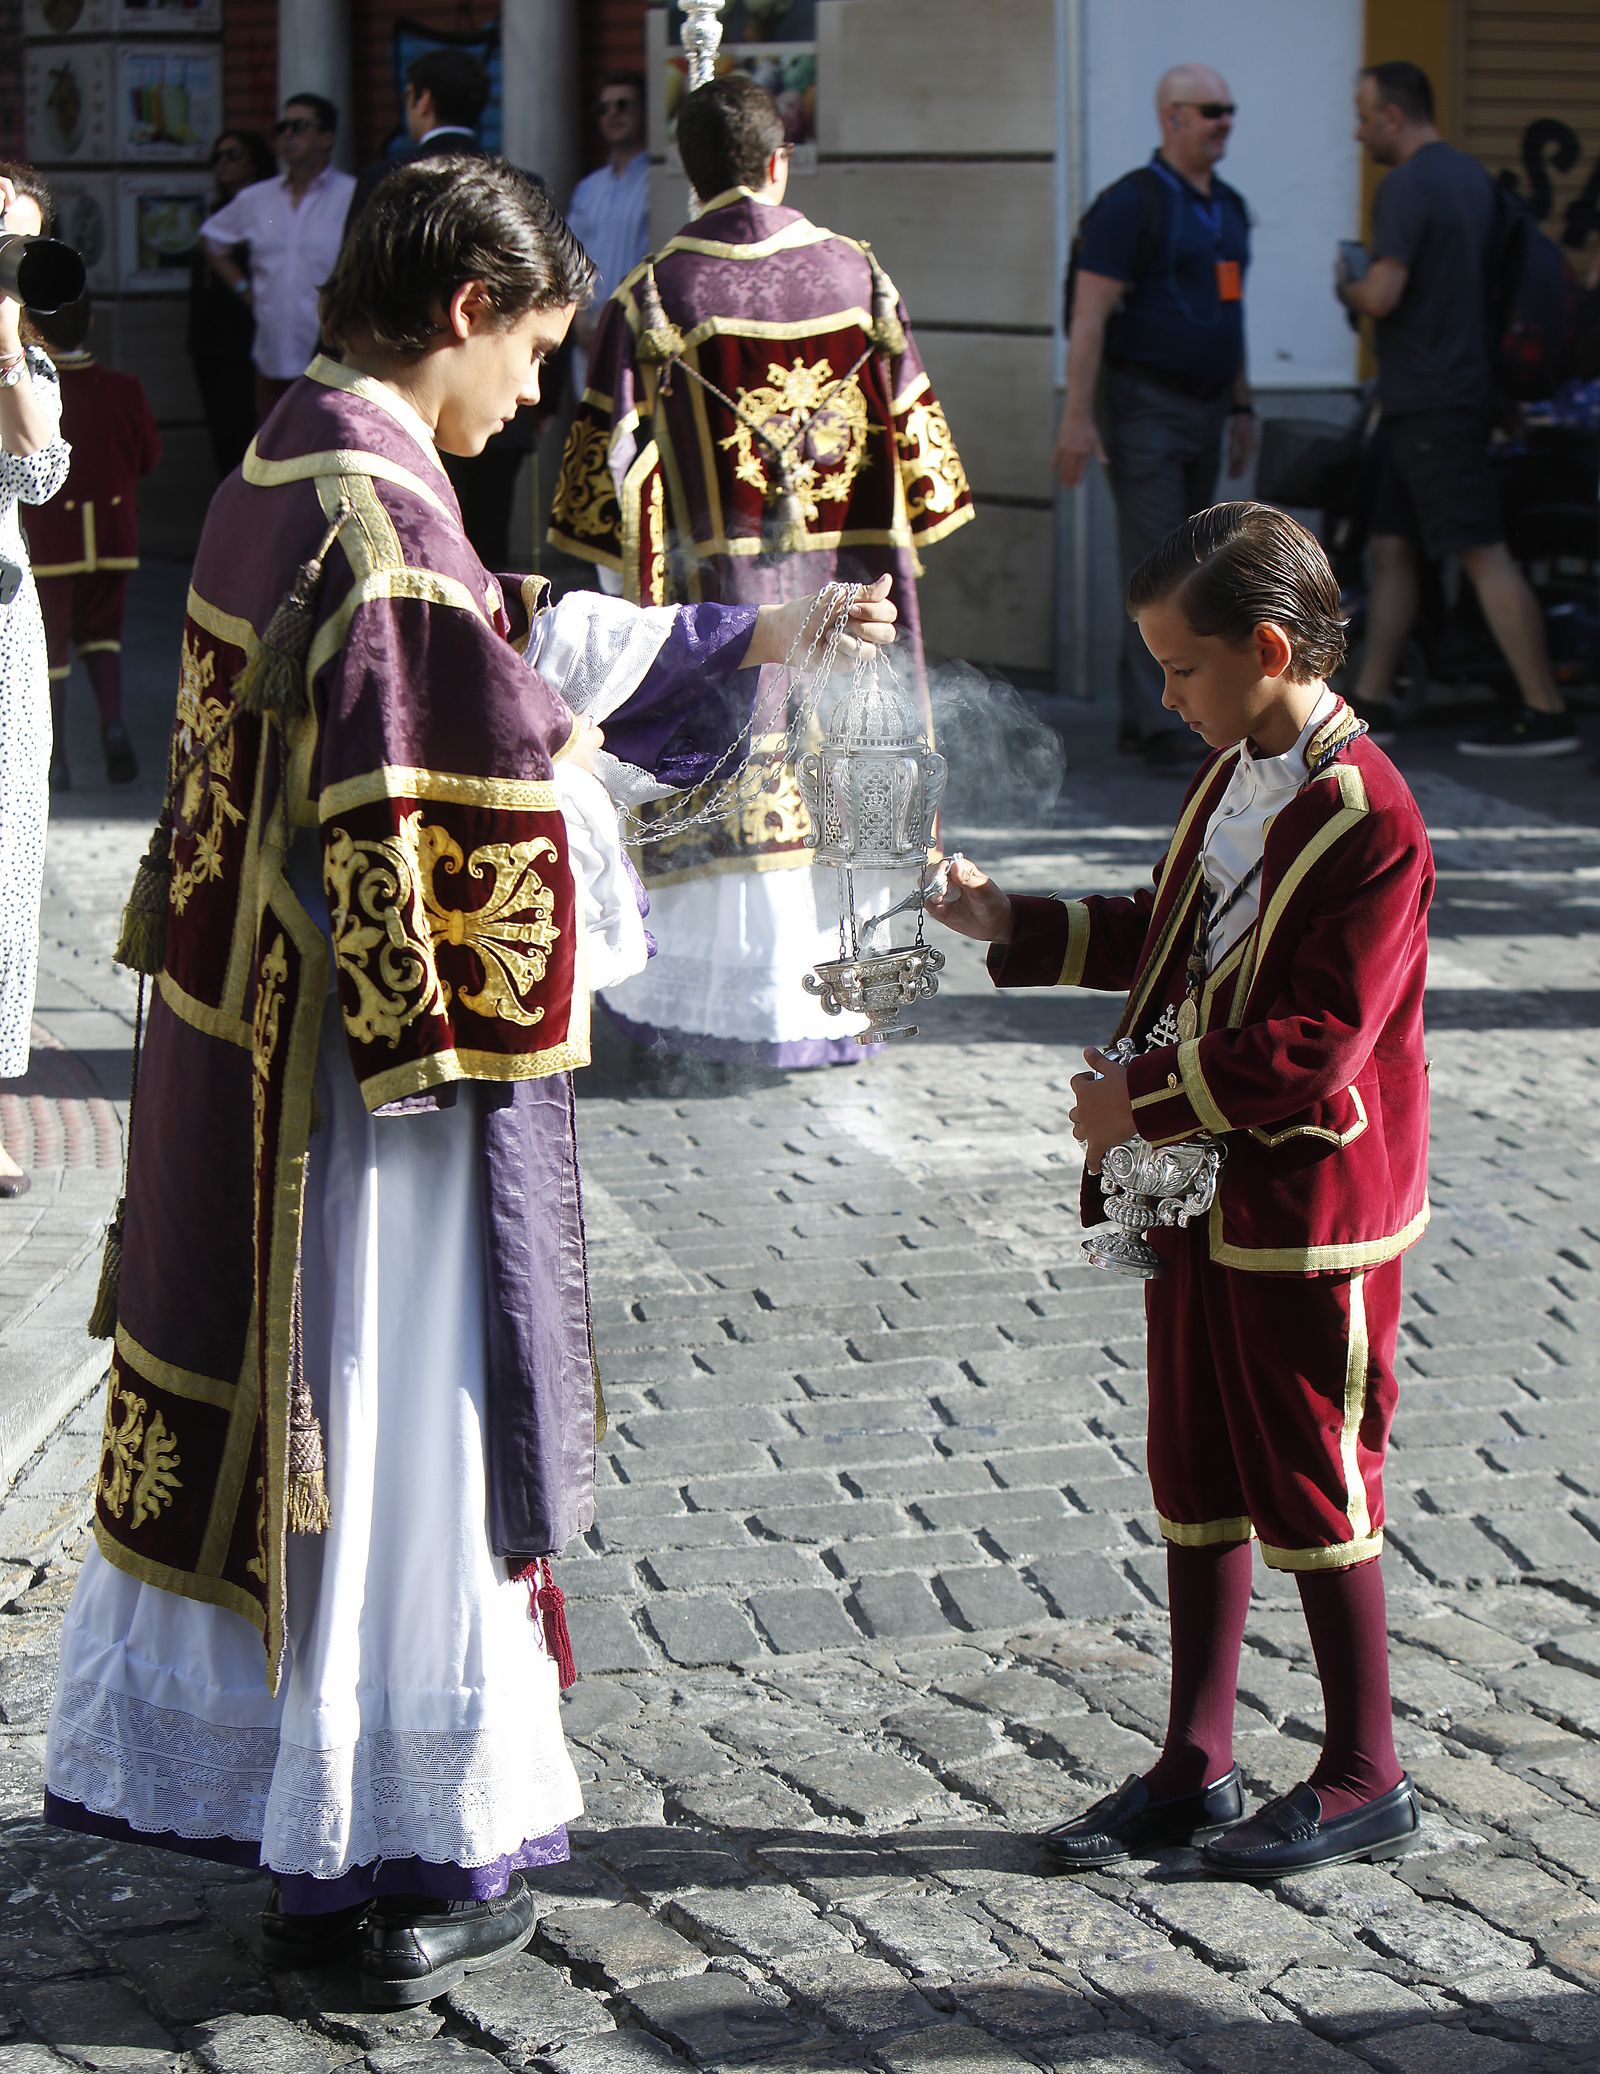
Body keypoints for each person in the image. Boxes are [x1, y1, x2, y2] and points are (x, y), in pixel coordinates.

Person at [42, 153, 895, 2006]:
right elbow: (484, 815)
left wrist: (742, 633)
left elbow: (488, 639)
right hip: (379, 1105)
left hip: (259, 1058)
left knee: (328, 1425)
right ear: (461, 314)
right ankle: (388, 1844)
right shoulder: (375, 529)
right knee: (395, 1427)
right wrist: (586, 761)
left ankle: (316, 1811)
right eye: (528, 350)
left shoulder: (297, 454)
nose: (532, 392)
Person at [930, 503, 1432, 1879]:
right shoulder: (1231, 772)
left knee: (1312, 1474)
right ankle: (1194, 1760)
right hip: (1180, 1185)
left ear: (1270, 649)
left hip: (1303, 1212)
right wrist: (1012, 921)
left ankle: (1364, 1766)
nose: (1165, 694)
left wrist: (1132, 1104)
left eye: (1181, 668)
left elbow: (1315, 1045)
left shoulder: (1372, 817)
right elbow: (1168, 933)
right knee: (1194, 1465)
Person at [551, 73, 973, 1068]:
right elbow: (926, 463)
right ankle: (835, 1004)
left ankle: (706, 1018)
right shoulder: (860, 275)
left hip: (719, 602)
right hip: (849, 590)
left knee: (732, 768)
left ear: (688, 174)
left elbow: (599, 484)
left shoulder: (654, 291)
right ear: (780, 162)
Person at [1337, 60, 1580, 759]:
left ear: (1392, 115)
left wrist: (1347, 285)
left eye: (1363, 115)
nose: (1357, 132)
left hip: (1435, 401)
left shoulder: (1408, 185)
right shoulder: (1475, 180)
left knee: (1480, 550)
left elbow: (1382, 295)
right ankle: (1372, 703)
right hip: (1449, 396)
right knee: (1392, 547)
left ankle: (1545, 709)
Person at [1053, 64, 1255, 769]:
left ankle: (1150, 714)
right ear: (1171, 116)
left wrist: (1242, 404)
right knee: (1164, 565)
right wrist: (1078, 418)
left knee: (1191, 561)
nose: (1223, 120)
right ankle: (1166, 718)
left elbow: (1231, 316)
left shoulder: (1227, 205)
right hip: (1143, 404)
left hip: (1205, 407)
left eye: (1229, 109)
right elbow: (1088, 316)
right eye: (1209, 110)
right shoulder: (1130, 205)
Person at [350, 51, 551, 569]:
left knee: (408, 545)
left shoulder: (386, 181)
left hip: (405, 396)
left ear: (422, 100)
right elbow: (539, 308)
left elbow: (358, 302)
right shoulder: (523, 184)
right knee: (487, 548)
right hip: (484, 401)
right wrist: (546, 406)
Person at [0, 161, 72, 1201]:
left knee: (2, 869)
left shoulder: (29, 360)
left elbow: (37, 466)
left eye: (18, 244)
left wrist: (7, 331)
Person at [24, 293, 160, 790]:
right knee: (105, 637)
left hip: (50, 539)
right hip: (112, 533)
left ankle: (56, 759)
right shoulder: (124, 388)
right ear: (92, 323)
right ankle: (113, 722)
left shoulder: (33, 388)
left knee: (51, 648)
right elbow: (148, 456)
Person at [200, 93, 356, 425]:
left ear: (326, 137)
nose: (287, 135)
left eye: (299, 127)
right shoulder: (258, 198)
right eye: (282, 127)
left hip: (333, 358)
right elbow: (211, 239)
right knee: (273, 459)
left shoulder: (350, 194)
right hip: (272, 352)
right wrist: (244, 288)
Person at [189, 129, 275, 479]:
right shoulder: (217, 211)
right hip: (207, 333)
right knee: (218, 425)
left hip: (245, 331)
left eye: (232, 155)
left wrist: (244, 290)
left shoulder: (266, 208)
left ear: (254, 163)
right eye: (218, 157)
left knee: (240, 422)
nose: (222, 164)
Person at [565, 72, 651, 373]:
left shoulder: (657, 185)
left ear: (644, 110)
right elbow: (567, 257)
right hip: (586, 341)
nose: (613, 114)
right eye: (604, 108)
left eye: (623, 105)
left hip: (637, 335)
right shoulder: (587, 188)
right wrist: (578, 320)